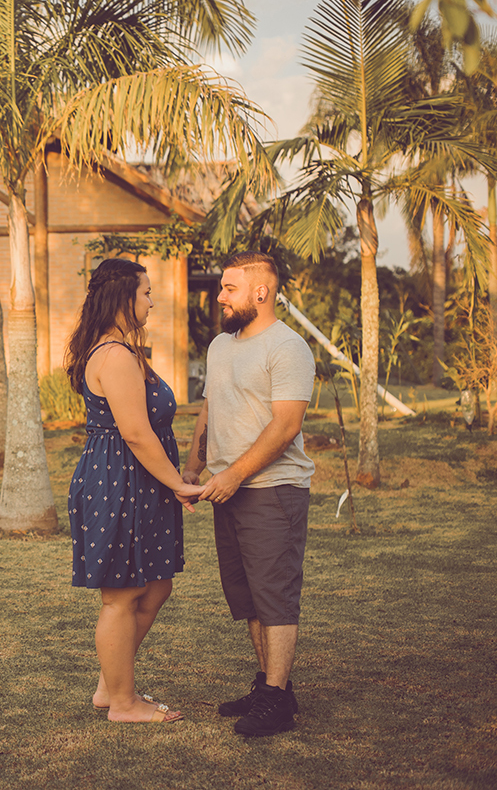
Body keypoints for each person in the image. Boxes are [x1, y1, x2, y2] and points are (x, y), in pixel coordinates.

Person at [181, 250, 316, 737]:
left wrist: (234, 475)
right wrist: (193, 470)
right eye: (221, 287)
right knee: (249, 598)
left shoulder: (287, 348)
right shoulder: (220, 346)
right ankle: (268, 686)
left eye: (229, 288)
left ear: (261, 292)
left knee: (274, 596)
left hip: (271, 491)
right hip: (226, 489)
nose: (219, 296)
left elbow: (286, 427)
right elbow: (210, 411)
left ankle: (277, 701)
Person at [65, 257, 204, 724]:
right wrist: (178, 483)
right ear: (125, 297)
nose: (152, 299)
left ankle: (112, 682)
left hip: (140, 481)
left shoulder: (127, 350)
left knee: (157, 584)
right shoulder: (115, 356)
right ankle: (122, 703)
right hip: (118, 481)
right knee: (121, 595)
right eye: (146, 292)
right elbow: (137, 434)